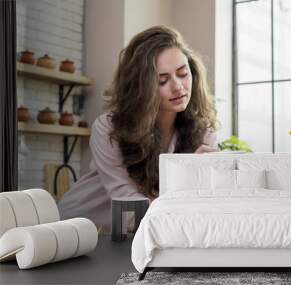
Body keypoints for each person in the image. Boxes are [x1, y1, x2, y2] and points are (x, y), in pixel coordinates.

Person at [58, 26, 218, 233]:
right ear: (141, 87)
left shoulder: (203, 131)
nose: (178, 86)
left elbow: (205, 202)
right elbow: (129, 210)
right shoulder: (108, 129)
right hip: (82, 230)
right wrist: (188, 178)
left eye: (183, 73)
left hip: (147, 233)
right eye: (163, 80)